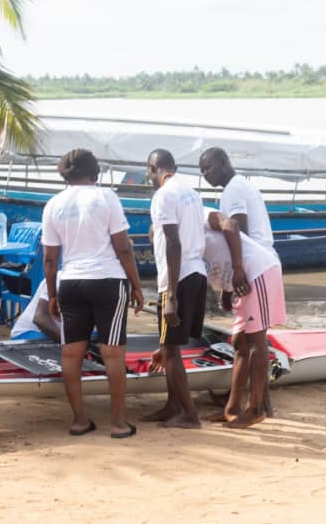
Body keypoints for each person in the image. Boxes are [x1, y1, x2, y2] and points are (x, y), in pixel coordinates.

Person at [41, 148, 143, 438]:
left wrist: (52, 294)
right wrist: (136, 284)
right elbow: (123, 247)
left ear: (64, 175)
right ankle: (118, 423)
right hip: (107, 280)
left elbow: (50, 259)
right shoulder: (106, 197)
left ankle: (79, 420)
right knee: (113, 353)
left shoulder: (53, 205)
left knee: (71, 353)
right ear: (95, 172)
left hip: (71, 281)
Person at [201, 208, 286, 428]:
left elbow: (232, 225)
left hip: (256, 271)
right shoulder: (186, 232)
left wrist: (238, 268)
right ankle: (232, 409)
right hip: (241, 280)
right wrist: (226, 289)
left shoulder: (201, 215)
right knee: (239, 343)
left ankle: (256, 409)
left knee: (256, 339)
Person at [143, 148, 208, 429]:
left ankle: (190, 414)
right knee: (168, 346)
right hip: (196, 271)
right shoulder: (192, 193)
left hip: (177, 277)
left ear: (152, 169)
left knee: (171, 349)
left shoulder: (163, 195)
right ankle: (173, 406)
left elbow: (173, 242)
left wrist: (170, 296)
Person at [199, 147, 275, 252]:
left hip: (254, 255)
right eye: (202, 171)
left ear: (223, 163)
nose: (205, 174)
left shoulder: (233, 188)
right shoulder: (241, 183)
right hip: (264, 253)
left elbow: (240, 236)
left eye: (208, 168)